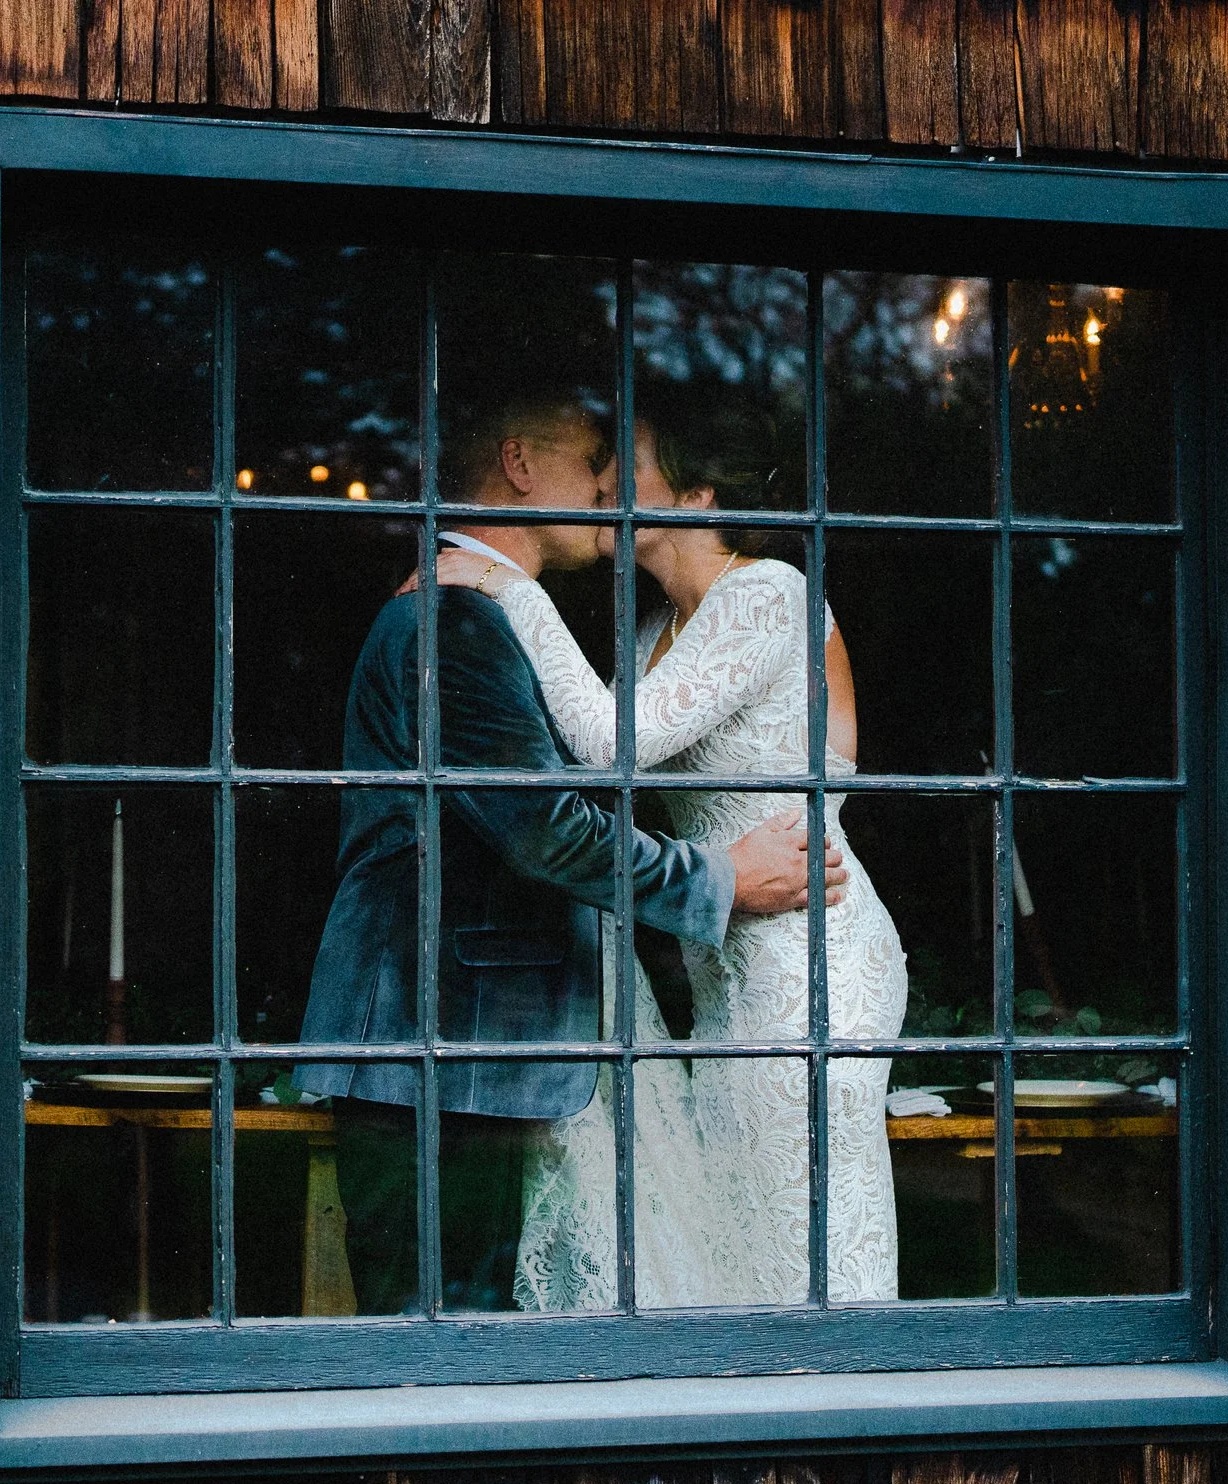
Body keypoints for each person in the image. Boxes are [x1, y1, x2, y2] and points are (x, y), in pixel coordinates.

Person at [294, 393, 843, 1313]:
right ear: (518, 462)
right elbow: (545, 828)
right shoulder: (456, 618)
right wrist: (722, 879)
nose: (607, 486)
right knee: (449, 1347)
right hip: (440, 1050)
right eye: (592, 459)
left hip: (465, 1049)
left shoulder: (484, 611)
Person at [432, 388, 910, 1307]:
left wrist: (507, 586)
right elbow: (585, 752)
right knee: (744, 1240)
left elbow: (612, 740)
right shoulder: (657, 632)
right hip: (727, 965)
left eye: (629, 463)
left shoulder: (767, 593)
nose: (605, 479)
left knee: (809, 1245)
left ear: (696, 499)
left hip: (808, 959)